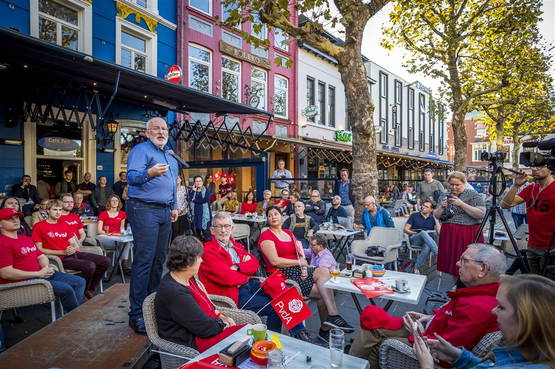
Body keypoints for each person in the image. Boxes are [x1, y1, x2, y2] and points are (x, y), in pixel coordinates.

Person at [350, 244, 506, 366]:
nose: (458, 263)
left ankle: (350, 364)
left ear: (483, 269)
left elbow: (444, 350)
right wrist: (430, 317)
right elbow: (453, 319)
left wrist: (416, 330)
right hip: (430, 327)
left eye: (464, 260)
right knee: (373, 323)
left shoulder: (478, 306)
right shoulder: (482, 295)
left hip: (426, 344)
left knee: (373, 332)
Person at [198, 212, 310, 339]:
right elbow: (227, 277)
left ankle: (300, 333)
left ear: (232, 228)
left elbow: (254, 263)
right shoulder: (208, 251)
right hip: (233, 293)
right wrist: (244, 274)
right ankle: (275, 341)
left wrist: (239, 267)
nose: (223, 230)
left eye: (227, 226)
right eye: (219, 227)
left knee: (285, 295)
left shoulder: (236, 246)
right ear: (212, 230)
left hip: (248, 284)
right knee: (276, 307)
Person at [415, 274, 555, 369]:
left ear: (526, 320)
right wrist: (458, 356)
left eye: (501, 307)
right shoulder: (529, 353)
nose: (494, 311)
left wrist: (427, 366)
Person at [259, 206, 352, 341]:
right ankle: (325, 329)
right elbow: (274, 261)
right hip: (283, 275)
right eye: (270, 215)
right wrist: (299, 263)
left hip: (298, 270)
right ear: (267, 219)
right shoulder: (266, 235)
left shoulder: (288, 233)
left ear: (282, 217)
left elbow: (300, 255)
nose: (273, 217)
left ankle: (333, 315)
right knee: (322, 291)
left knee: (324, 272)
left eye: (276, 214)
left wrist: (303, 268)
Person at [125, 117, 179, 334]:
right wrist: (149, 173)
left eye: (164, 128)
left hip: (164, 210)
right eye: (156, 128)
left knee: (159, 261)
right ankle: (136, 313)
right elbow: (130, 177)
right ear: (147, 132)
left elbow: (174, 183)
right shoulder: (141, 150)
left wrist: (174, 205)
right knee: (144, 261)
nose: (161, 131)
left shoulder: (170, 155)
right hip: (143, 208)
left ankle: (153, 307)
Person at [155, 235, 242, 352]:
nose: (201, 260)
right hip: (192, 343)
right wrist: (223, 323)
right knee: (247, 337)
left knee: (250, 334)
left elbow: (207, 306)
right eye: (199, 257)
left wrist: (221, 316)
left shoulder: (186, 277)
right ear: (187, 263)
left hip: (202, 330)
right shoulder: (175, 292)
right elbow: (206, 329)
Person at [0, 207, 85, 312]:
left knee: (80, 281)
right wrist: (38, 273)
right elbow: (6, 273)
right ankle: (75, 317)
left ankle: (73, 313)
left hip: (41, 274)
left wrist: (45, 268)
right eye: (9, 218)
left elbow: (41, 256)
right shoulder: (2, 243)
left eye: (17, 217)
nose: (15, 220)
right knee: (66, 289)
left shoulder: (25, 238)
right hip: (24, 280)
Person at [33, 199, 110, 299]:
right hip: (58, 259)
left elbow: (73, 243)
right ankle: (83, 292)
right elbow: (39, 249)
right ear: (48, 210)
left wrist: (72, 248)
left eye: (60, 210)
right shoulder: (39, 226)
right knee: (90, 266)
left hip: (73, 254)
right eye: (55, 209)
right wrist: (62, 252)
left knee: (105, 261)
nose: (58, 212)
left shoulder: (64, 224)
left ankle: (88, 289)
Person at [501, 164, 555, 275]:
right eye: (533, 166)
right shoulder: (531, 188)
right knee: (534, 282)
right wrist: (515, 186)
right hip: (532, 246)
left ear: (550, 168)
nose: (534, 169)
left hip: (552, 249)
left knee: (549, 286)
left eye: (540, 166)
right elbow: (505, 205)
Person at [434, 171, 486, 277]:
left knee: (468, 263)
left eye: (457, 185)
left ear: (464, 183)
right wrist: (442, 207)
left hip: (467, 233)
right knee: (453, 264)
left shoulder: (473, 195)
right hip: (449, 234)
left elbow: (481, 214)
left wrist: (461, 204)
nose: (454, 187)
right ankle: (456, 286)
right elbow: (437, 215)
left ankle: (466, 287)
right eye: (451, 184)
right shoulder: (444, 195)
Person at [305, 234, 354, 341]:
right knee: (321, 297)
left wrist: (305, 267)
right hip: (322, 286)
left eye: (312, 245)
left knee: (321, 294)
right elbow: (304, 251)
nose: (310, 247)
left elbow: (319, 273)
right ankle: (327, 327)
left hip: (330, 285)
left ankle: (327, 327)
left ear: (321, 246)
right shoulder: (314, 251)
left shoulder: (325, 257)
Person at [404, 201, 440, 274]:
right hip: (415, 238)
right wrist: (415, 232)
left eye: (426, 207)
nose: (423, 207)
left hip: (427, 241)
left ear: (431, 210)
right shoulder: (414, 215)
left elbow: (439, 232)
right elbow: (405, 229)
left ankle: (416, 267)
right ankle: (437, 253)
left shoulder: (432, 218)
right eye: (423, 205)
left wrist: (436, 218)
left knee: (427, 246)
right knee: (423, 232)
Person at [98, 194, 130, 272]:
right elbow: (99, 230)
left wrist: (122, 233)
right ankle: (121, 267)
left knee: (127, 243)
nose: (115, 202)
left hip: (117, 238)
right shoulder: (103, 214)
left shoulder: (122, 214)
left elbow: (121, 229)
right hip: (106, 239)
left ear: (119, 202)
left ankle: (123, 266)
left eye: (116, 201)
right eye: (113, 200)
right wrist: (109, 234)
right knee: (124, 244)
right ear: (109, 202)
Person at [188, 175, 212, 242]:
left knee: (207, 235)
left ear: (202, 181)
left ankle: (208, 250)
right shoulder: (191, 191)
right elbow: (189, 198)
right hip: (195, 214)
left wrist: (194, 199)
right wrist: (193, 192)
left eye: (200, 181)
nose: (198, 182)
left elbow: (205, 200)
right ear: (194, 183)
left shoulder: (207, 190)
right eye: (197, 181)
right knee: (196, 236)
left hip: (204, 215)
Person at [172, 175, 189, 241]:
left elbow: (186, 200)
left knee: (182, 231)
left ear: (181, 179)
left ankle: (181, 246)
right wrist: (175, 209)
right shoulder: (172, 189)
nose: (177, 179)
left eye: (178, 178)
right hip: (174, 213)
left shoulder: (184, 189)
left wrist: (182, 209)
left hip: (183, 213)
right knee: (174, 231)